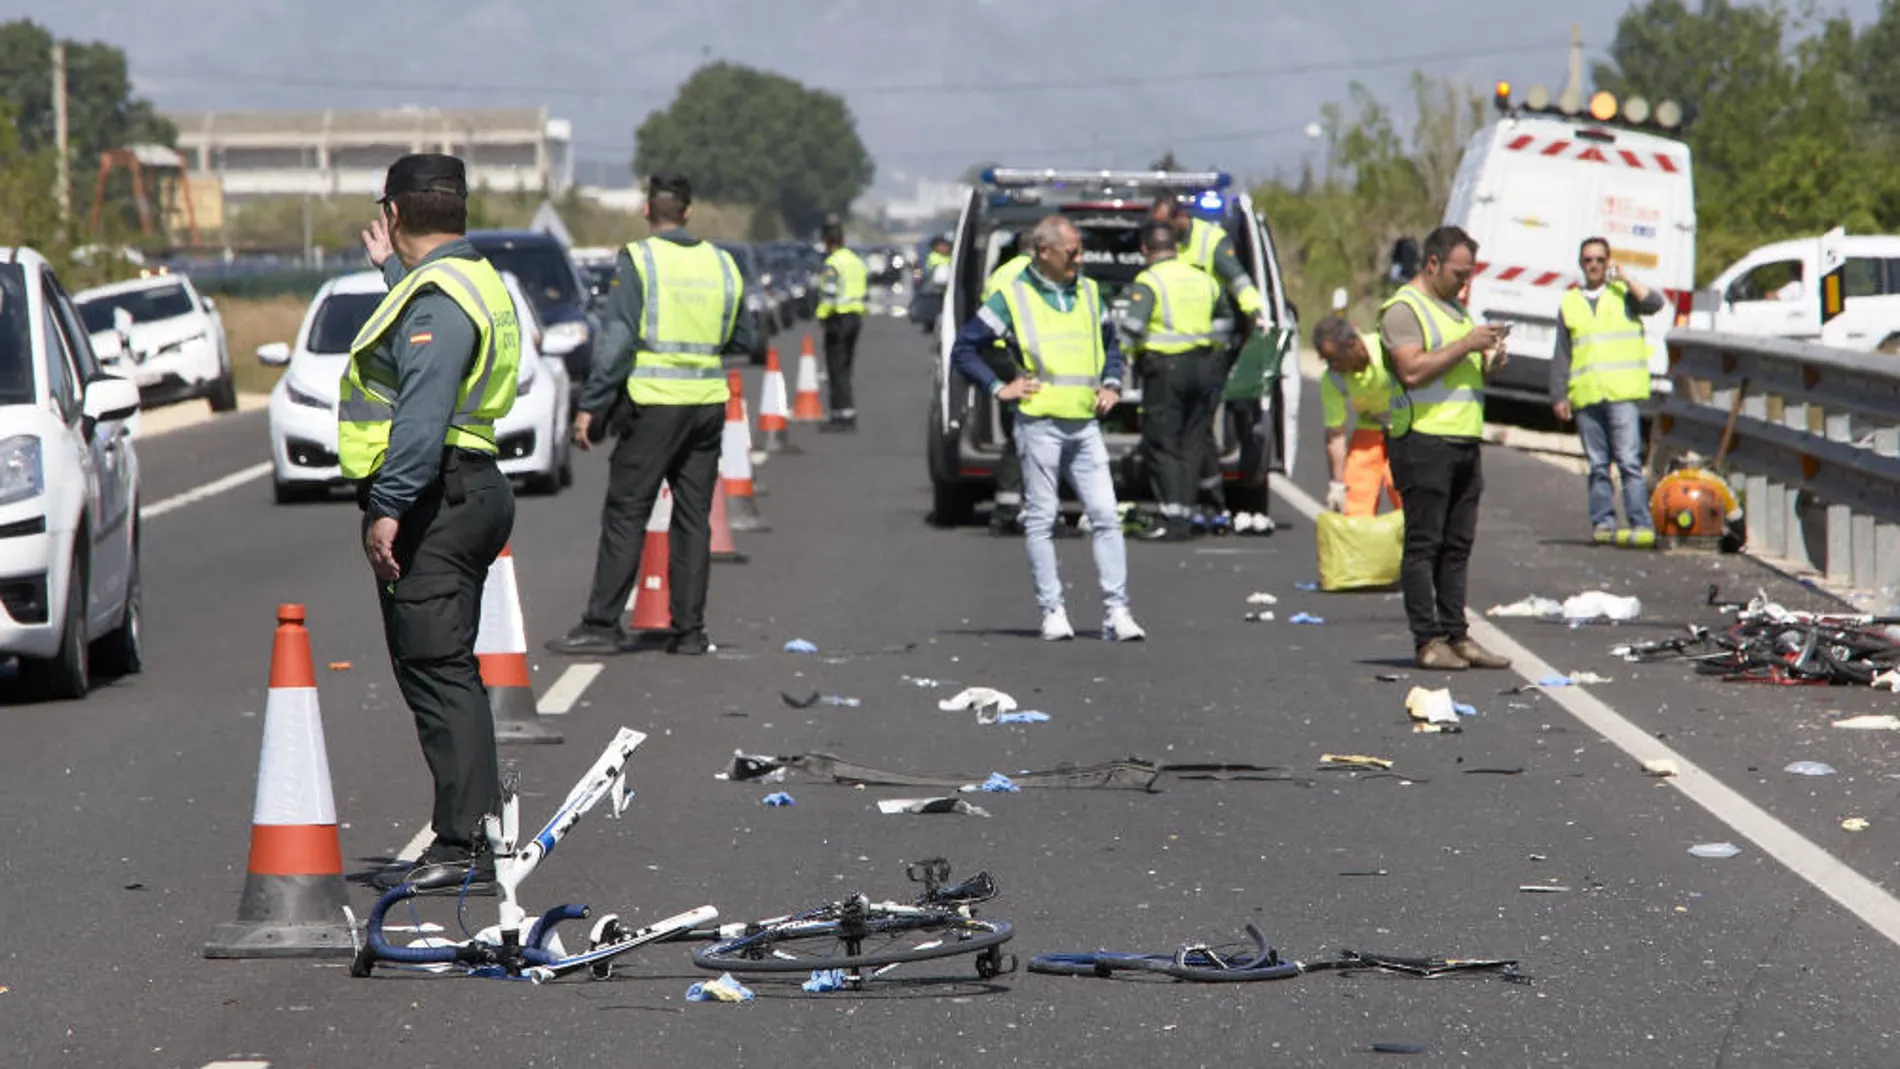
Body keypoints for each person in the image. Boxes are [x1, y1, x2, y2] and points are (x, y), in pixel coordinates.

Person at [339, 154, 520, 890]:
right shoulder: (460, 279)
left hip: (437, 495)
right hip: (467, 486)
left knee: (439, 667)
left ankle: (464, 840)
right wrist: (392, 270)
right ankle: (470, 827)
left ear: (395, 210)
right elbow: (428, 335)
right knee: (443, 665)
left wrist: (388, 506)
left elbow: (422, 411)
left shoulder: (441, 294)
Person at [546, 172, 755, 658]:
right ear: (687, 212)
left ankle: (601, 624)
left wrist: (593, 404)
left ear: (647, 211)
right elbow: (742, 336)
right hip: (706, 404)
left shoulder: (640, 259)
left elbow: (617, 341)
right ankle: (690, 631)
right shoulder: (722, 263)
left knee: (627, 511)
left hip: (655, 404)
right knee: (692, 517)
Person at [948, 214, 1146, 642]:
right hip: (1039, 424)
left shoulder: (1091, 293)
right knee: (1041, 519)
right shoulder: (1012, 298)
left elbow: (1112, 344)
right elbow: (965, 348)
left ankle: (1117, 611)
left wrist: (1112, 383)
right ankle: (1052, 610)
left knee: (1106, 516)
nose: (1079, 259)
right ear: (1044, 252)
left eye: (1080, 250)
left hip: (1084, 424)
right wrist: (1000, 387)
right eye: (1072, 251)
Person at [1378, 225, 1511, 672]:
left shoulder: (1455, 309)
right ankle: (1428, 639)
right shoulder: (1403, 310)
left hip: (1462, 439)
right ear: (1432, 263)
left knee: (1458, 544)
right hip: (1422, 441)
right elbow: (1413, 371)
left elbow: (1460, 371)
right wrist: (1468, 343)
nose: (1464, 283)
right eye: (1458, 273)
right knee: (1424, 544)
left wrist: (1488, 360)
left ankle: (1457, 635)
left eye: (1469, 274)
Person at [1151, 195, 1267, 531]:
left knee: (1199, 425)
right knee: (1187, 428)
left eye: (1163, 224)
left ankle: (1209, 497)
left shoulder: (1209, 241)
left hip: (1210, 348)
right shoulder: (1165, 246)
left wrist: (1257, 315)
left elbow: (1239, 280)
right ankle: (1195, 496)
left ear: (1180, 218)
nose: (1159, 231)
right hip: (1173, 349)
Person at [1550, 237, 1665, 547]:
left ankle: (1640, 523)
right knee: (1598, 464)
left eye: (1600, 260)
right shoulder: (1570, 302)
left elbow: (1655, 304)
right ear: (1581, 264)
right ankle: (1603, 522)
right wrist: (1558, 394)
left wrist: (1625, 276)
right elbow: (1562, 352)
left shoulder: (1623, 294)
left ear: (1608, 261)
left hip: (1621, 392)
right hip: (1587, 394)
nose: (1594, 265)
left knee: (1628, 461)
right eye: (1588, 260)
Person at [1118, 221, 1228, 541]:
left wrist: (1121, 360)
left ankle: (1173, 515)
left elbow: (1133, 328)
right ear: (1177, 248)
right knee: (1192, 441)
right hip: (1205, 366)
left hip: (1166, 370)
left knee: (1162, 442)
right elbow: (1225, 321)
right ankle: (1187, 511)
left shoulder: (1149, 281)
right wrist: (1215, 355)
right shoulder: (1204, 279)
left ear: (1145, 250)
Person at [1313, 315, 1400, 516]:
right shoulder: (1333, 380)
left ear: (1352, 345)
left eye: (1334, 359)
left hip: (1407, 424)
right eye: (1325, 360)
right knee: (1356, 491)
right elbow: (1335, 434)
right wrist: (1336, 484)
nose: (1330, 365)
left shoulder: (1385, 349)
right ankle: (1358, 542)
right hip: (1371, 423)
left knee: (1400, 485)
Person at [975, 239, 1033, 536]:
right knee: (1024, 430)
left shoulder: (1000, 272)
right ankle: (1010, 508)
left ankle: (1010, 504)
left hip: (996, 354)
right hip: (1015, 356)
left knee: (1016, 429)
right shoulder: (1032, 274)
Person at [815, 222, 868, 432]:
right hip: (855, 316)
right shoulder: (855, 261)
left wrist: (821, 316)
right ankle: (847, 411)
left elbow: (829, 294)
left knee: (835, 368)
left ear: (827, 241)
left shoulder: (833, 263)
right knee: (846, 366)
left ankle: (841, 415)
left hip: (838, 318)